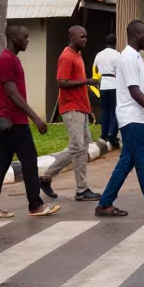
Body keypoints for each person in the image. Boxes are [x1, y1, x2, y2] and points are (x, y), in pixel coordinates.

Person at [95, 20, 144, 218]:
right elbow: (134, 91)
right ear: (135, 34)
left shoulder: (135, 57)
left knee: (127, 161)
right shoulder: (128, 57)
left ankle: (105, 203)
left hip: (137, 117)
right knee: (142, 161)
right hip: (131, 118)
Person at [0, 24, 60, 219]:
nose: (27, 39)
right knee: (29, 159)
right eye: (24, 36)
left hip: (10, 119)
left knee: (1, 163)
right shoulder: (6, 59)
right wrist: (34, 117)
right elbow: (10, 90)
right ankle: (35, 205)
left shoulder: (11, 59)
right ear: (13, 38)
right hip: (13, 120)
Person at [38, 25, 100, 202]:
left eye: (85, 36)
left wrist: (88, 110)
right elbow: (61, 82)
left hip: (81, 108)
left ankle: (76, 187)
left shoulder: (77, 55)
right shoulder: (66, 56)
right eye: (82, 36)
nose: (85, 39)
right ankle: (57, 181)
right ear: (72, 38)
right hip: (71, 108)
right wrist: (86, 81)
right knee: (77, 147)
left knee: (82, 147)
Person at [93, 32, 120, 147]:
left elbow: (95, 68)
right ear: (115, 43)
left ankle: (104, 134)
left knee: (105, 111)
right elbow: (120, 70)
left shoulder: (99, 55)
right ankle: (112, 135)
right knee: (115, 111)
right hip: (114, 84)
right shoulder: (117, 55)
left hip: (103, 85)